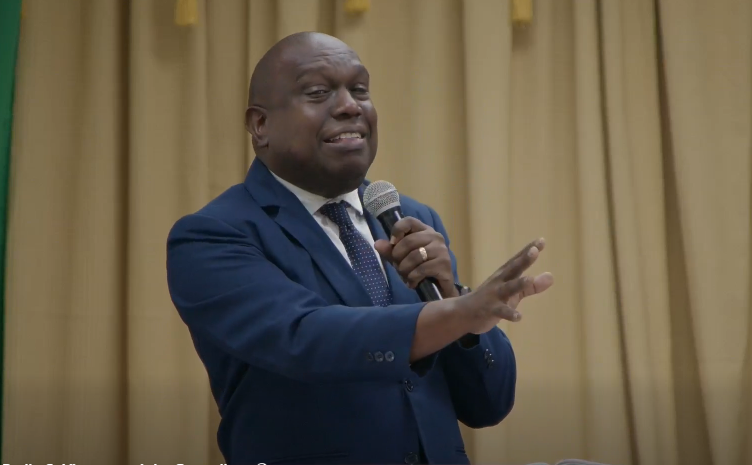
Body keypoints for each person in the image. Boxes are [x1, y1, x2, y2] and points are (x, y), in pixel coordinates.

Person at [166, 31, 553, 465]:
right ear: (261, 126)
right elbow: (305, 338)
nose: (350, 106)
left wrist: (451, 296)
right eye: (318, 92)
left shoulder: (412, 218)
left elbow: (488, 404)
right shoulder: (213, 234)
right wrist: (458, 312)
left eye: (361, 89)